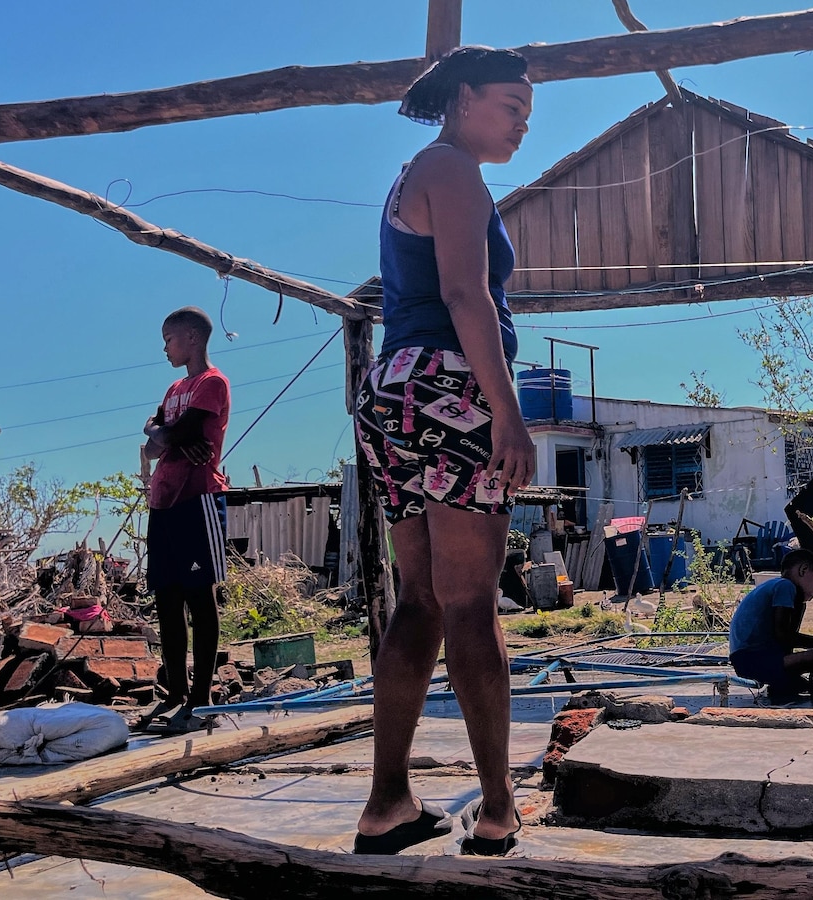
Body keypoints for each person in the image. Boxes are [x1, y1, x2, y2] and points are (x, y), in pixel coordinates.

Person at [352, 46, 535, 858]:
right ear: (463, 98)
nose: (522, 124)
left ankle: (387, 804)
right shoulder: (453, 169)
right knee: (470, 603)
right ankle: (496, 810)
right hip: (447, 386)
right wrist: (508, 413)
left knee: (420, 600)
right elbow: (465, 293)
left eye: (527, 113)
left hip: (393, 389)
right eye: (510, 106)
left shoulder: (413, 174)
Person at [140, 305, 231, 735]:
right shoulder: (175, 387)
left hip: (198, 498)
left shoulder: (212, 382)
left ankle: (201, 697)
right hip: (163, 501)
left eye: (169, 340)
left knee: (199, 597)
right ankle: (175, 692)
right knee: (167, 599)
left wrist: (163, 433)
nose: (165, 349)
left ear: (192, 338)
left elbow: (173, 434)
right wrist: (159, 433)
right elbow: (154, 443)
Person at [728, 549, 813, 704]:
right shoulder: (785, 586)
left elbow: (784, 640)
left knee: (797, 685)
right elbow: (783, 636)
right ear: (803, 570)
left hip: (747, 662)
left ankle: (809, 681)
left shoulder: (780, 589)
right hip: (753, 661)